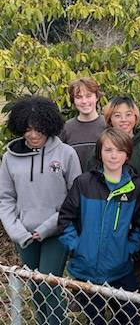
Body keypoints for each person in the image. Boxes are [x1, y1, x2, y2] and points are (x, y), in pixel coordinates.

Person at [0, 96, 82, 325]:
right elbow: (5, 199)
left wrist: (47, 228)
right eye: (27, 129)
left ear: (49, 125)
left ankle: (58, 322)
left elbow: (74, 198)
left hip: (56, 232)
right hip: (24, 235)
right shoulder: (9, 159)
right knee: (35, 286)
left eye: (38, 129)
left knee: (48, 283)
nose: (33, 135)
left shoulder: (66, 153)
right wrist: (17, 232)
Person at [58, 127, 140, 325]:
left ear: (127, 154)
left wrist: (128, 249)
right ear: (99, 153)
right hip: (85, 268)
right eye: (108, 150)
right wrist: (77, 246)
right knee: (95, 319)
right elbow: (65, 218)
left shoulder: (135, 186)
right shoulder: (83, 183)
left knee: (129, 315)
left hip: (120, 268)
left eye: (119, 150)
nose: (113, 155)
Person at [98, 96, 140, 292]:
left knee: (134, 268)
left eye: (128, 115)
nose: (124, 120)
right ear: (109, 119)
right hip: (106, 221)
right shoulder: (102, 146)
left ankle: (132, 310)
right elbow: (94, 182)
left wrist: (139, 221)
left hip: (136, 223)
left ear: (136, 117)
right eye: (117, 115)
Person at [60, 77, 106, 171]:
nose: (84, 101)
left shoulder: (108, 125)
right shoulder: (66, 128)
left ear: (97, 97)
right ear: (73, 100)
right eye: (79, 97)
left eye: (88, 96)